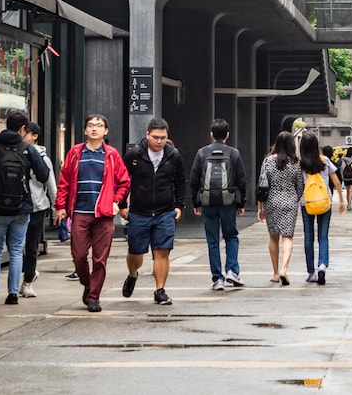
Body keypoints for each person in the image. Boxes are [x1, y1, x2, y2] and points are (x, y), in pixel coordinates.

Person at [0, 111, 50, 306]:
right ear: (23, 129)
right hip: (22, 208)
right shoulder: (27, 149)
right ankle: (13, 294)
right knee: (15, 250)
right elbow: (44, 174)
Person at [54, 114, 131, 313]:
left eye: (99, 126)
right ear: (85, 130)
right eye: (90, 125)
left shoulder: (111, 154)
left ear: (105, 131)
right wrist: (60, 206)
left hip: (104, 215)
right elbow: (64, 181)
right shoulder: (74, 153)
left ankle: (94, 296)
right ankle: (87, 284)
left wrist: (116, 201)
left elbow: (124, 181)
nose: (94, 129)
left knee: (100, 259)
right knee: (79, 255)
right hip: (80, 212)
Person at [120, 118, 186, 305]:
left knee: (162, 251)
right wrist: (122, 205)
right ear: (147, 135)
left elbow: (180, 182)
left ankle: (160, 290)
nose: (159, 141)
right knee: (135, 253)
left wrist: (179, 206)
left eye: (163, 138)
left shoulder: (174, 156)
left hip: (165, 212)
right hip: (139, 212)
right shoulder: (134, 155)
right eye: (155, 137)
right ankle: (133, 274)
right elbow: (124, 181)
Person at [188, 118, 248, 291]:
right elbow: (241, 180)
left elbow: (194, 179)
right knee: (231, 236)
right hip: (228, 201)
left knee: (212, 240)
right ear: (227, 135)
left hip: (207, 201)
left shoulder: (202, 153)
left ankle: (217, 278)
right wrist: (241, 202)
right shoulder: (233, 153)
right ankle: (231, 270)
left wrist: (196, 201)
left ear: (212, 135)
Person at [256, 131, 303, 285]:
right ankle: (284, 269)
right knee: (287, 237)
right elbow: (300, 186)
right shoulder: (295, 162)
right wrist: (293, 199)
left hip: (271, 202)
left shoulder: (267, 161)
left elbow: (262, 184)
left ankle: (276, 273)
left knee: (273, 236)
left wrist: (260, 207)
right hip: (289, 201)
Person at [299, 132, 346, 284]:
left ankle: (311, 272)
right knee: (323, 236)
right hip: (325, 202)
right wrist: (341, 201)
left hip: (307, 203)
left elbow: (297, 185)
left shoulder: (300, 163)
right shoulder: (324, 160)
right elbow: (337, 182)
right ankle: (322, 266)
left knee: (308, 237)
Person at [20, 122, 56, 298]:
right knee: (16, 246)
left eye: (25, 132)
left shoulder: (43, 158)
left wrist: (58, 207)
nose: (22, 135)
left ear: (34, 136)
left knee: (32, 247)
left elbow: (51, 185)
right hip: (17, 207)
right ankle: (26, 274)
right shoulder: (14, 153)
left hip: (37, 206)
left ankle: (27, 282)